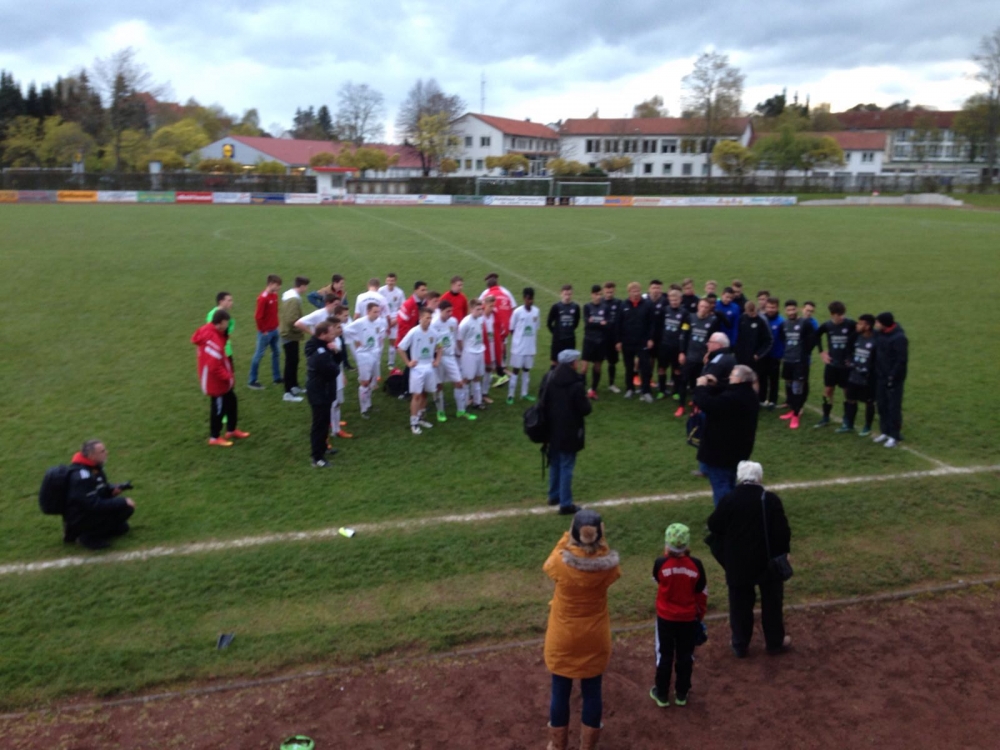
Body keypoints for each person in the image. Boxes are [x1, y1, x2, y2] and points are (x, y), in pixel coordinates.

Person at [543, 509, 620, 750]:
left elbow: (549, 563)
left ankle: (558, 745)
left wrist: (568, 536)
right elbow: (609, 563)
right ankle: (588, 747)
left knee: (560, 692)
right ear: (600, 535)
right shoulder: (607, 566)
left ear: (574, 533)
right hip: (595, 637)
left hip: (563, 636)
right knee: (592, 691)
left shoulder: (559, 562)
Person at [707, 460, 792, 658]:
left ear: (740, 477)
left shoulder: (729, 499)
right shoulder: (770, 499)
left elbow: (713, 525)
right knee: (772, 602)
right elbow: (783, 532)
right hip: (767, 562)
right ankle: (774, 642)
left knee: (739, 605)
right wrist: (784, 553)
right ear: (759, 477)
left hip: (738, 564)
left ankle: (740, 644)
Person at [649, 523, 707, 709]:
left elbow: (657, 579)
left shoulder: (661, 563)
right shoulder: (696, 565)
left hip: (665, 618)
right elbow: (700, 589)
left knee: (665, 654)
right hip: (688, 619)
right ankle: (682, 693)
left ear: (667, 544)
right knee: (685, 655)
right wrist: (700, 615)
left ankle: (662, 694)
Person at [693, 365, 760, 506]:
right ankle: (735, 510)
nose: (729, 377)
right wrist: (716, 383)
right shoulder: (749, 394)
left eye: (732, 375)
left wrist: (700, 387)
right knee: (730, 483)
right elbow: (729, 389)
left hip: (721, 453)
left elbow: (707, 403)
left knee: (721, 486)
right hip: (738, 450)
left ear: (740, 379)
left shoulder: (732, 398)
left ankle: (726, 515)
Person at [542, 350, 592, 515]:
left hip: (552, 429)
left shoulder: (549, 378)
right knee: (566, 465)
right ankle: (565, 503)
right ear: (572, 364)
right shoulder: (576, 384)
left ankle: (553, 495)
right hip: (570, 431)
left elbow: (543, 401)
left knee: (555, 462)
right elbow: (585, 409)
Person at [63, 439, 136, 550]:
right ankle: (87, 536)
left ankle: (100, 530)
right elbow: (92, 504)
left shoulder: (93, 467)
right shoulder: (82, 476)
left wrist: (112, 491)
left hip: (84, 512)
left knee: (123, 526)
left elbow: (98, 489)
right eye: (102, 451)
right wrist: (121, 501)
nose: (106, 452)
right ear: (92, 456)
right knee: (125, 507)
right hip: (79, 517)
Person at [192, 309, 248, 447]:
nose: (227, 326)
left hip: (218, 380)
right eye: (226, 323)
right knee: (218, 409)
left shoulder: (209, 330)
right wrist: (228, 377)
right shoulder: (214, 340)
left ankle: (231, 430)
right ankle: (214, 437)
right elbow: (214, 366)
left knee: (232, 402)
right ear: (221, 322)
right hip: (215, 382)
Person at [397, 307, 441, 435]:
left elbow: (440, 347)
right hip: (417, 369)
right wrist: (408, 363)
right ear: (420, 318)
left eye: (430, 318)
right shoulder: (414, 332)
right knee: (416, 395)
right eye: (427, 318)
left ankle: (421, 417)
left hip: (429, 367)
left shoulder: (434, 332)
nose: (429, 320)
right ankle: (414, 422)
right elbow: (400, 348)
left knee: (425, 394)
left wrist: (437, 360)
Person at [675, 298, 721, 417]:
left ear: (709, 309)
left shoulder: (713, 321)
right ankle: (681, 406)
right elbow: (683, 335)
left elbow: (714, 339)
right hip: (689, 357)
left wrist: (709, 354)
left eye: (706, 307)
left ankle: (696, 406)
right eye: (701, 306)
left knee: (700, 383)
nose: (703, 309)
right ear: (698, 306)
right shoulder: (689, 318)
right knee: (683, 381)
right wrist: (681, 352)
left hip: (703, 359)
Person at [305, 320, 342, 468]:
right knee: (319, 425)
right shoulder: (319, 352)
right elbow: (333, 370)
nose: (334, 335)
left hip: (324, 391)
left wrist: (335, 351)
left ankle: (323, 447)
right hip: (319, 393)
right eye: (331, 333)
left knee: (325, 422)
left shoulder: (324, 346)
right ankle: (317, 458)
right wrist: (333, 358)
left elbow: (337, 362)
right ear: (322, 335)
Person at [430, 300, 475, 421]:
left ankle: (461, 411)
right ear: (440, 311)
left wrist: (458, 353)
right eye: (447, 311)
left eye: (451, 311)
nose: (450, 313)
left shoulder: (453, 322)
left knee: (459, 383)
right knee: (439, 385)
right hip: (439, 358)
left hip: (451, 357)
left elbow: (454, 337)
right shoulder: (433, 323)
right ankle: (440, 411)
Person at [815, 301, 857, 428]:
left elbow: (862, 336)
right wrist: (821, 352)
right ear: (832, 315)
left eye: (843, 314)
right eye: (839, 315)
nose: (842, 317)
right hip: (832, 365)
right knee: (828, 390)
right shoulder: (827, 326)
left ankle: (848, 419)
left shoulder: (851, 324)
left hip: (846, 366)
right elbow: (816, 335)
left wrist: (853, 356)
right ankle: (825, 417)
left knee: (848, 393)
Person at [873, 312, 908, 448]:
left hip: (894, 379)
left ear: (884, 323)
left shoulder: (899, 338)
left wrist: (893, 376)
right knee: (881, 405)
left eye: (878, 322)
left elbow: (901, 360)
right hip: (880, 376)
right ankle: (885, 431)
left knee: (893, 407)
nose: (876, 325)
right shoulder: (880, 334)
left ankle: (894, 435)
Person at [779, 299, 815, 430]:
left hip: (800, 361)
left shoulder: (805, 324)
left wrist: (804, 354)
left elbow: (812, 340)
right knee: (788, 384)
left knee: (797, 387)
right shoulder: (784, 324)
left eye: (793, 309)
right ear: (785, 311)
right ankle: (793, 409)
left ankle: (796, 415)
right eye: (788, 310)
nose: (791, 312)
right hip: (788, 360)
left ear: (798, 309)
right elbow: (783, 339)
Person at [615, 281, 655, 402]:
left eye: (638, 291)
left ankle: (646, 390)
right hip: (627, 342)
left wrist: (650, 338)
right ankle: (630, 388)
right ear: (629, 292)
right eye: (634, 291)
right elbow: (618, 324)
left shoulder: (647, 305)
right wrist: (618, 341)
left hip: (642, 342)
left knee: (645, 367)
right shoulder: (623, 305)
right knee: (629, 367)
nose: (636, 293)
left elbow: (652, 323)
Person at [343, 302, 382, 418]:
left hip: (374, 353)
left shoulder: (379, 322)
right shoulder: (360, 322)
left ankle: (369, 405)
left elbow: (379, 334)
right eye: (375, 312)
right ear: (368, 311)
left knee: (371, 380)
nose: (377, 314)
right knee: (364, 382)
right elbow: (345, 330)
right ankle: (363, 409)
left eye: (378, 312)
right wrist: (357, 339)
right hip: (364, 355)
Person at [840, 314, 878, 435]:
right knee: (850, 399)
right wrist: (849, 360)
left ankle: (867, 426)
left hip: (869, 378)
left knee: (869, 402)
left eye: (860, 324)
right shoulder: (855, 336)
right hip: (854, 374)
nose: (857, 325)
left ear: (868, 326)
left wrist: (870, 370)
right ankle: (849, 424)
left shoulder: (877, 339)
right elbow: (848, 349)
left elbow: (880, 358)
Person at [480, 273, 516, 384]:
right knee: (501, 348)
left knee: (491, 349)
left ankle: (499, 372)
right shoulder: (506, 292)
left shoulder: (486, 293)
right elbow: (514, 308)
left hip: (492, 325)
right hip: (505, 326)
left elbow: (479, 306)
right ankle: (502, 369)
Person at [248, 274, 282, 390]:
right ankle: (252, 380)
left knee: (276, 352)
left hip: (275, 330)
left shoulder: (274, 295)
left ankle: (277, 377)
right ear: (271, 284)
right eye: (277, 285)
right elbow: (258, 317)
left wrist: (277, 325)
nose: (279, 287)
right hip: (265, 333)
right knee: (259, 355)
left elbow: (274, 312)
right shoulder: (263, 298)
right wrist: (263, 330)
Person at [279, 276, 310, 402]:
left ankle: (294, 386)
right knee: (290, 362)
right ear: (301, 286)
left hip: (289, 334)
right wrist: (300, 329)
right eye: (306, 286)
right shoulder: (294, 300)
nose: (306, 289)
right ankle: (288, 392)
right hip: (289, 334)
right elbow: (291, 319)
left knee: (294, 360)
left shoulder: (290, 297)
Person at [508, 287, 540, 404]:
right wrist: (518, 340)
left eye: (531, 299)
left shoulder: (536, 311)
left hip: (530, 348)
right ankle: (510, 395)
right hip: (518, 348)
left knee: (526, 370)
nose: (530, 301)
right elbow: (511, 329)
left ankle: (524, 393)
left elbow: (536, 327)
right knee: (515, 370)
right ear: (524, 298)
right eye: (528, 299)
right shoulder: (517, 312)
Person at [653, 288, 687, 401]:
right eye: (672, 300)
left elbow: (685, 329)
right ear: (669, 300)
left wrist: (682, 347)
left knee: (677, 370)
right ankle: (662, 390)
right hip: (664, 345)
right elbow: (658, 326)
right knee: (661, 368)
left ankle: (676, 391)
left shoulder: (684, 313)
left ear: (680, 299)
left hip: (676, 346)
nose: (674, 302)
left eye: (676, 300)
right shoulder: (665, 310)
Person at [458, 298, 487, 411]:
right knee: (467, 379)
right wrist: (463, 351)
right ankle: (464, 402)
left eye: (481, 309)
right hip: (469, 353)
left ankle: (477, 402)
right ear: (471, 309)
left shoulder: (481, 319)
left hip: (480, 351)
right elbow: (459, 339)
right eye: (477, 309)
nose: (480, 312)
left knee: (477, 377)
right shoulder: (465, 323)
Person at [581, 285, 608, 399]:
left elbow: (607, 324)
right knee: (584, 368)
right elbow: (587, 324)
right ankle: (581, 390)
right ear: (592, 295)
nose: (598, 297)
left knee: (597, 367)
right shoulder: (587, 307)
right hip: (589, 341)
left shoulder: (605, 307)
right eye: (596, 294)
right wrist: (599, 323)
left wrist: (595, 323)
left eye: (600, 294)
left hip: (600, 341)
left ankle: (593, 390)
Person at [734, 301, 773, 375]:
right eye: (750, 312)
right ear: (746, 311)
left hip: (755, 359)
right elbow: (738, 336)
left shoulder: (761, 321)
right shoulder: (742, 319)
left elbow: (768, 340)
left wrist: (758, 354)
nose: (752, 314)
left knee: (754, 378)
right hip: (741, 357)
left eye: (753, 311)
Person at [760, 297, 785, 409]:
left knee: (774, 379)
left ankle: (772, 400)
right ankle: (761, 399)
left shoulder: (781, 322)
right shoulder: (761, 319)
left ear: (777, 308)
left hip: (775, 355)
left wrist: (782, 353)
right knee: (762, 377)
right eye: (769, 307)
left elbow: (784, 339)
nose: (770, 310)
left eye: (773, 307)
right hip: (762, 354)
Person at [548, 285, 581, 367]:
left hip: (570, 340)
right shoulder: (556, 307)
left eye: (569, 294)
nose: (567, 297)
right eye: (565, 294)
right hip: (558, 340)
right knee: (555, 363)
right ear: (561, 294)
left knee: (569, 364)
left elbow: (576, 323)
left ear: (572, 294)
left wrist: (569, 330)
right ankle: (553, 376)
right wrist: (556, 333)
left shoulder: (575, 307)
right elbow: (549, 323)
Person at [600, 282, 624, 393]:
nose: (609, 294)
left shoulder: (619, 303)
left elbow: (621, 320)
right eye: (607, 292)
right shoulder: (599, 302)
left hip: (613, 338)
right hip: (601, 338)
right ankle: (594, 386)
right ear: (603, 291)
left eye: (611, 292)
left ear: (614, 291)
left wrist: (619, 339)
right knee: (598, 361)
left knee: (612, 362)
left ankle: (611, 384)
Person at [378, 273, 406, 368]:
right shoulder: (380, 291)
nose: (390, 282)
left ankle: (391, 363)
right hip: (382, 319)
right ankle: (377, 362)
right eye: (389, 280)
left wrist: (396, 320)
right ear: (386, 281)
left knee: (392, 342)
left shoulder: (399, 293)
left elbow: (403, 308)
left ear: (395, 281)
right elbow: (376, 306)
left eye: (392, 281)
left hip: (394, 320)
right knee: (380, 342)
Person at [206, 291, 235, 369]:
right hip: (219, 352)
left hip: (227, 350)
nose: (231, 303)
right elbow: (211, 333)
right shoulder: (212, 315)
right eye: (229, 300)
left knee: (230, 374)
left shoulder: (225, 314)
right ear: (221, 302)